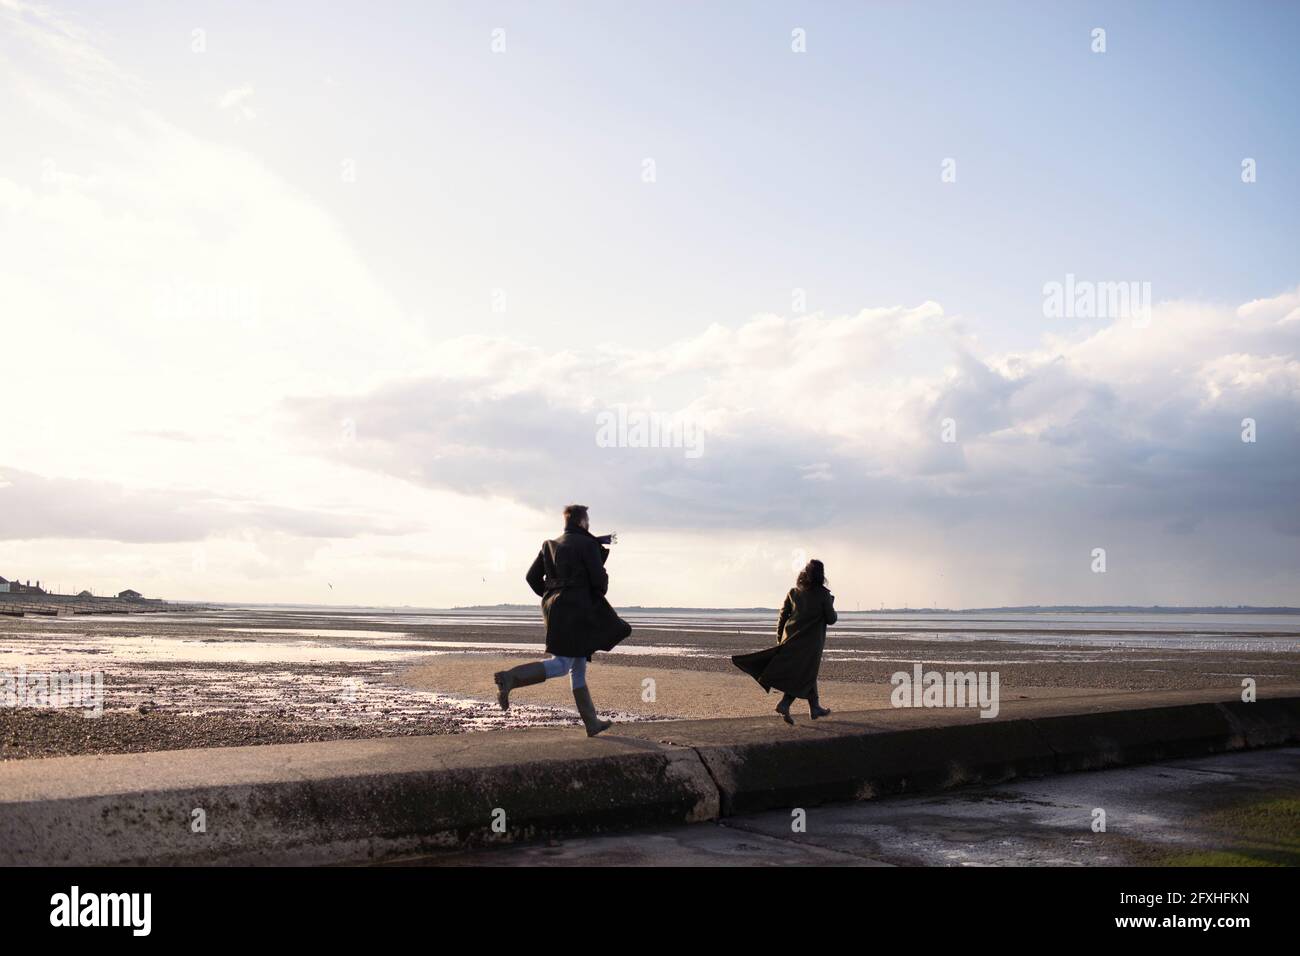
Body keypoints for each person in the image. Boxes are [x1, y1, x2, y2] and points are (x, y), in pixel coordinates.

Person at [494, 504, 632, 736]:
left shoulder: (549, 544)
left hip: (555, 608)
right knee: (562, 664)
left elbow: (531, 577)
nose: (589, 524)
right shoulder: (588, 544)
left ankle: (592, 723)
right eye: (588, 520)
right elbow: (599, 582)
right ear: (581, 522)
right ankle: (510, 678)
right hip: (576, 610)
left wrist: (552, 595)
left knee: (577, 668)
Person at [732, 559, 837, 724]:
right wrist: (830, 603)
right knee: (804, 674)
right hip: (810, 645)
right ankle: (785, 703)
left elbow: (783, 616)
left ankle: (814, 706)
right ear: (821, 576)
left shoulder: (794, 592)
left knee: (805, 673)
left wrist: (780, 638)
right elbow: (831, 619)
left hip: (790, 639)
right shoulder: (823, 595)